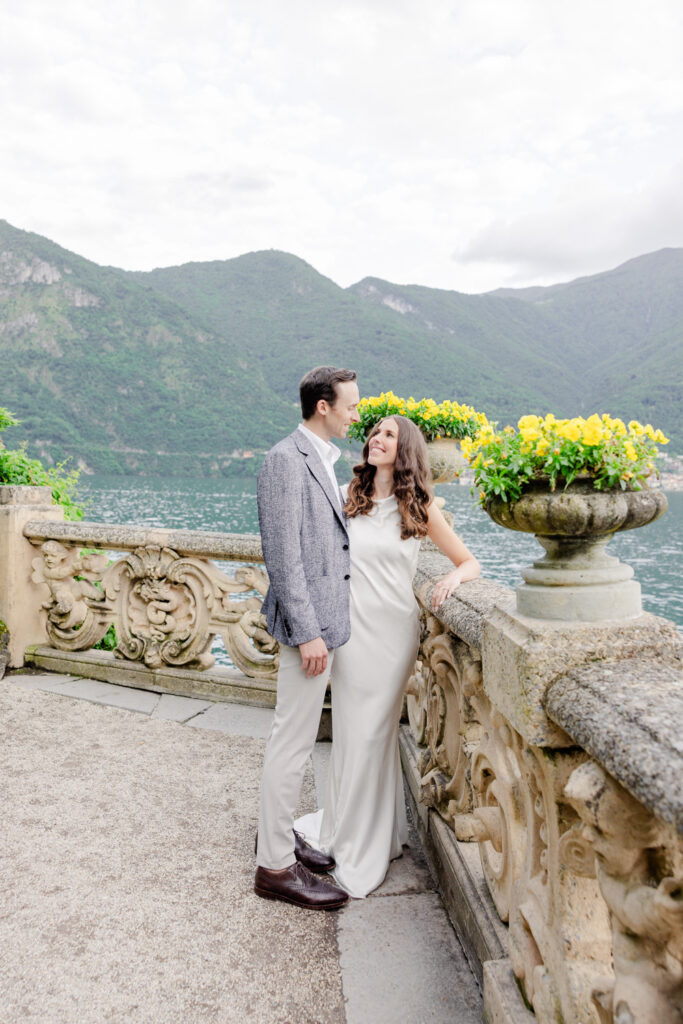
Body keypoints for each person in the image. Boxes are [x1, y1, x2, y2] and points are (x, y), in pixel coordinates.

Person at [296, 414, 480, 898]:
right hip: (350, 634)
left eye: (389, 434)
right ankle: (352, 830)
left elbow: (469, 561)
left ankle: (362, 848)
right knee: (353, 736)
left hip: (393, 636)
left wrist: (452, 578)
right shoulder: (347, 496)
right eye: (375, 432)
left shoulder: (419, 506)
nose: (377, 438)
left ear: (406, 449)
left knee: (374, 736)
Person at [254, 365, 360, 910]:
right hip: (309, 631)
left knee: (294, 742)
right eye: (351, 405)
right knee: (291, 743)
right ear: (324, 406)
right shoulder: (284, 459)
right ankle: (274, 867)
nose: (355, 414)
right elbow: (283, 557)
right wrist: (308, 633)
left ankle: (279, 836)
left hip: (326, 625)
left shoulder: (321, 459)